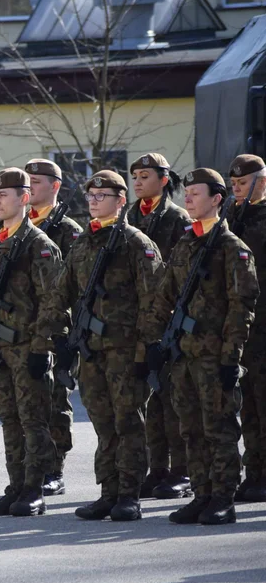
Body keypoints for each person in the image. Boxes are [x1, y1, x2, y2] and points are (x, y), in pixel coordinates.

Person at [45, 170, 162, 521]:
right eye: (91, 196)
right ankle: (108, 491)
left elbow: (155, 301)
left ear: (120, 200)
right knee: (103, 424)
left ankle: (129, 494)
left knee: (128, 422)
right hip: (91, 351)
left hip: (125, 351)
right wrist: (58, 338)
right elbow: (60, 293)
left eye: (103, 196)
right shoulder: (82, 243)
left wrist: (147, 351)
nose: (94, 201)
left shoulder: (136, 243)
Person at [151, 168, 258, 525]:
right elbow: (164, 296)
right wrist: (153, 341)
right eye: (188, 193)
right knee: (190, 429)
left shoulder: (232, 248)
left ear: (218, 199)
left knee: (219, 428)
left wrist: (232, 357)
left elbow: (242, 307)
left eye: (197, 193)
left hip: (215, 357)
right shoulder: (185, 245)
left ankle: (223, 497)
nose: (189, 199)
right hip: (183, 355)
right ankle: (202, 493)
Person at [0, 167, 63, 517]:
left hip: (27, 348)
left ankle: (33, 488)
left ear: (23, 198)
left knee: (32, 419)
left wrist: (41, 349)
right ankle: (16, 484)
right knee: (8, 419)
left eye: (4, 195)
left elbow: (52, 302)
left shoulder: (39, 246)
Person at [128, 153, 193, 499]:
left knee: (172, 400)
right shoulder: (129, 216)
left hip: (169, 321)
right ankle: (158, 469)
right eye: (135, 176)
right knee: (150, 401)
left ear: (164, 180)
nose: (137, 182)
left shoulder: (177, 219)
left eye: (145, 175)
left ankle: (182, 472)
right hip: (139, 320)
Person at [25, 158, 82, 496]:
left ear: (55, 186)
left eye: (37, 181)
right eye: (27, 181)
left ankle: (54, 467)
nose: (30, 187)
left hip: (56, 328)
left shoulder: (68, 231)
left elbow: (75, 285)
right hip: (22, 329)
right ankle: (31, 467)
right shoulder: (17, 225)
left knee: (54, 400)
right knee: (28, 404)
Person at [228, 154, 266, 502]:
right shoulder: (232, 217)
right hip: (244, 327)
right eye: (233, 184)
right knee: (248, 406)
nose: (236, 189)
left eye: (242, 183)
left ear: (262, 182)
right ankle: (254, 473)